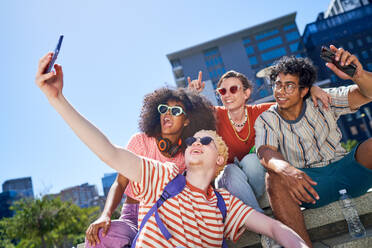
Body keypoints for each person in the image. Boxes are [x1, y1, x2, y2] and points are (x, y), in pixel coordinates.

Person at [35, 53, 309, 248]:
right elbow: (109, 152)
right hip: (138, 210)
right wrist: (57, 99)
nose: (196, 144)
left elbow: (274, 228)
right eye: (192, 142)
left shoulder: (224, 204)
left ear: (220, 160)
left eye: (206, 141)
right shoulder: (161, 176)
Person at [254, 45, 372, 247]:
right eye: (277, 84)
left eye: (289, 86)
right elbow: (265, 151)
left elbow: (367, 93)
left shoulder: (322, 98)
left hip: (346, 169)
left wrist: (358, 75)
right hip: (310, 184)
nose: (280, 91)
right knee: (274, 178)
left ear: (304, 90)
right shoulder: (267, 119)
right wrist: (287, 170)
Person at [84, 87, 216, 247]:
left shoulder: (189, 154)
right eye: (163, 109)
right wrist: (105, 215)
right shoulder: (140, 141)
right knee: (99, 235)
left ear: (187, 120)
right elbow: (120, 183)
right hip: (132, 215)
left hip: (168, 219)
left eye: (175, 110)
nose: (167, 114)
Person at [188, 70, 330, 212]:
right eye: (222, 91)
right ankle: (260, 217)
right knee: (229, 170)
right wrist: (194, 95)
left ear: (246, 93)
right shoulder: (215, 115)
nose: (227, 95)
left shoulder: (261, 112)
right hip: (230, 180)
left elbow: (293, 103)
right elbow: (192, 114)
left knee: (252, 161)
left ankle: (256, 214)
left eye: (233, 89)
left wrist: (312, 88)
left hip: (256, 173)